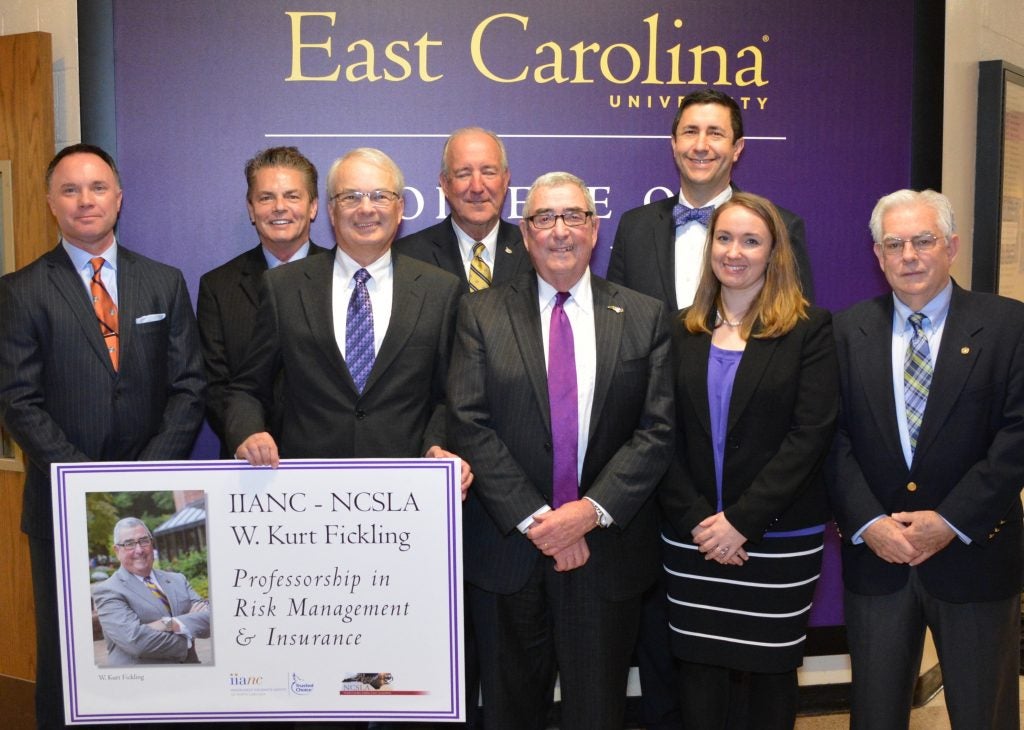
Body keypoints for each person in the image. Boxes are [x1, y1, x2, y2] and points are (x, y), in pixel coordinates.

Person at [607, 88, 816, 729]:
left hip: (755, 490)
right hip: (665, 480)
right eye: (690, 131)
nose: (701, 144)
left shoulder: (781, 226)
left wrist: (744, 512)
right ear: (672, 145)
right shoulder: (637, 227)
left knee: (758, 674)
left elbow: (790, 358)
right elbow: (620, 347)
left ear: (738, 149)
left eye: (716, 133)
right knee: (671, 650)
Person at [448, 172, 674, 730]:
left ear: (594, 230)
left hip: (606, 554)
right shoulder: (482, 312)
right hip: (508, 554)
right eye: (544, 218)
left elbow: (657, 430)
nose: (560, 231)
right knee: (509, 712)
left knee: (597, 713)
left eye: (573, 216)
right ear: (525, 234)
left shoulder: (644, 316)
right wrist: (538, 519)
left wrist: (586, 514)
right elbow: (468, 421)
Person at [0, 143, 205, 728]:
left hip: (153, 491)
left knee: (157, 659)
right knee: (66, 656)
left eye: (97, 187)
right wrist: (82, 478)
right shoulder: (21, 290)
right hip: (57, 502)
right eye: (70, 190)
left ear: (119, 198)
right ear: (49, 203)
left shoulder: (163, 282)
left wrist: (144, 473)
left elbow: (190, 387)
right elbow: (17, 399)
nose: (85, 200)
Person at [828, 189, 1024, 730]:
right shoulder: (844, 333)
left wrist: (951, 520)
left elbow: (1016, 437)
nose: (909, 255)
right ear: (878, 254)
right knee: (874, 714)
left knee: (985, 713)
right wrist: (869, 523)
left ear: (952, 247)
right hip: (878, 558)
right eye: (895, 243)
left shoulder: (1010, 326)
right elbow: (830, 440)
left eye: (923, 240)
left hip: (976, 555)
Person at [659, 192, 838, 729]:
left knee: (770, 674)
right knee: (697, 673)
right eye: (724, 238)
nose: (734, 252)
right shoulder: (676, 328)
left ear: (773, 253)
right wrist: (700, 523)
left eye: (751, 240)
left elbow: (810, 436)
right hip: (691, 538)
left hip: (776, 540)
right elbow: (657, 434)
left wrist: (741, 523)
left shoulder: (809, 329)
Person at [225, 147, 470, 494]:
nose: (366, 208)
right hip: (307, 495)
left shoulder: (440, 290)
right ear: (330, 210)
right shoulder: (284, 287)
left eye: (379, 196)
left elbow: (450, 397)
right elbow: (247, 388)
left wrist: (436, 444)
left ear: (400, 208)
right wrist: (248, 432)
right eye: (350, 196)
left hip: (407, 494)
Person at [197, 146, 330, 456]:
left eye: (292, 196)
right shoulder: (218, 286)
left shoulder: (345, 277)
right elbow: (215, 385)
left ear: (313, 207)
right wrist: (246, 435)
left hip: (331, 463)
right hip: (249, 468)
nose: (279, 207)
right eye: (266, 197)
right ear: (251, 209)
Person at [394, 126, 531, 291]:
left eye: (488, 172)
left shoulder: (535, 251)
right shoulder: (407, 257)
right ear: (445, 183)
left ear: (505, 180)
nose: (477, 187)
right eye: (463, 174)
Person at [93, 517, 210, 666]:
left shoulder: (178, 580)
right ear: (117, 550)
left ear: (151, 543)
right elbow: (136, 642)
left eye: (144, 541)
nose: (139, 550)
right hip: (142, 683)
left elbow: (209, 619)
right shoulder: (107, 590)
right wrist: (187, 634)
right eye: (129, 544)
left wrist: (167, 624)